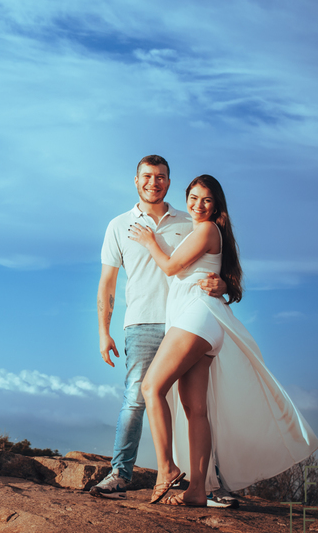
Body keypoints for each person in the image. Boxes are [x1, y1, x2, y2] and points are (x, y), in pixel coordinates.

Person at [130, 174, 318, 506]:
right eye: (193, 198)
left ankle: (166, 470)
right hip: (207, 321)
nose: (198, 205)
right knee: (195, 408)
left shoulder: (205, 230)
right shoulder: (205, 233)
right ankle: (198, 490)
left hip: (197, 319)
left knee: (150, 387)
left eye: (206, 200)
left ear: (216, 206)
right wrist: (222, 286)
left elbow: (171, 267)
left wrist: (149, 242)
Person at [90, 155, 228, 501]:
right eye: (148, 176)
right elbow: (107, 283)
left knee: (196, 404)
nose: (154, 182)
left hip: (186, 321)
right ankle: (121, 474)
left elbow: (215, 264)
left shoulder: (192, 219)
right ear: (136, 181)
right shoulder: (119, 225)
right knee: (137, 397)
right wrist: (103, 331)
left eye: (162, 176)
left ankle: (205, 482)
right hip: (143, 321)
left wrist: (224, 285)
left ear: (169, 182)